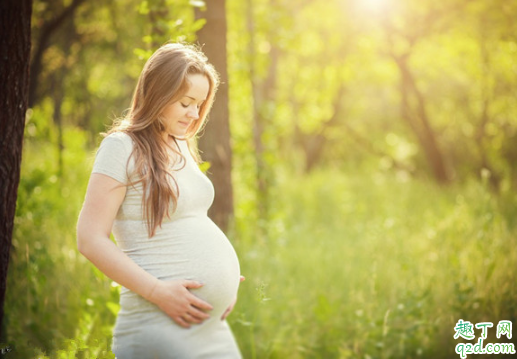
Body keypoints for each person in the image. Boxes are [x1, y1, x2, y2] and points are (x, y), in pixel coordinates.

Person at [76, 42, 243, 358]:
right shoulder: (121, 147)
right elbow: (89, 238)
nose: (194, 114)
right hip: (159, 324)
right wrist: (158, 292)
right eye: (186, 103)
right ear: (158, 93)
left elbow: (187, 221)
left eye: (200, 104)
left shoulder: (179, 144)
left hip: (208, 328)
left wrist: (226, 280)